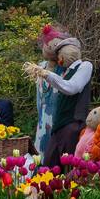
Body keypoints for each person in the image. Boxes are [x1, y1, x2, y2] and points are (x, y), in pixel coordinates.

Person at [38, 39, 93, 164]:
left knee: (67, 167)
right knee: (49, 166)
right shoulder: (66, 72)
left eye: (59, 56)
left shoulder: (85, 66)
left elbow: (72, 87)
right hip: (59, 126)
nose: (58, 60)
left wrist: (48, 75)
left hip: (73, 125)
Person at [22, 26, 71, 161]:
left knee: (55, 154)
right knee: (40, 153)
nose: (51, 47)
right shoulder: (40, 66)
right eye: (47, 44)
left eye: (55, 44)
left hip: (58, 120)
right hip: (42, 119)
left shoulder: (65, 69)